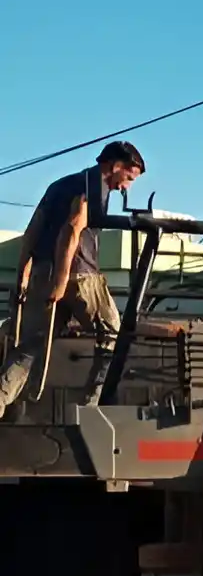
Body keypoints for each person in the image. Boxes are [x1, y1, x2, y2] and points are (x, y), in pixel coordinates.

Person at [0, 141, 145, 417]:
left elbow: (34, 228)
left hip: (43, 272)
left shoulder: (59, 185)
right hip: (79, 276)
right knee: (114, 335)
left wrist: (24, 272)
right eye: (128, 178)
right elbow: (72, 229)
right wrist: (62, 281)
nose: (125, 187)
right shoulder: (94, 186)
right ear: (114, 166)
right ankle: (90, 410)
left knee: (28, 348)